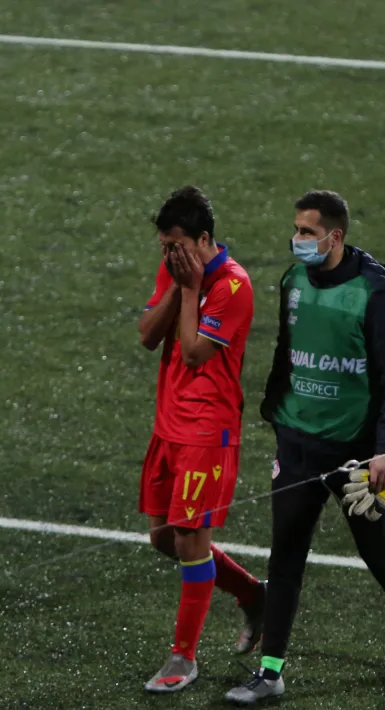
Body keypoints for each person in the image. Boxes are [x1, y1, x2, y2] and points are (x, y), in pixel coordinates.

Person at [224, 190, 385, 705]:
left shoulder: (374, 293)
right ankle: (271, 672)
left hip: (357, 452)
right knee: (286, 552)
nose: (297, 241)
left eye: (307, 233)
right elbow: (289, 352)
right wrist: (278, 413)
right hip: (297, 442)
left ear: (335, 237)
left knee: (374, 548)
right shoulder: (293, 280)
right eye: (296, 230)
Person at [136, 186, 266, 692]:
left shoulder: (234, 287)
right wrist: (176, 283)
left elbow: (192, 353)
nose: (168, 254)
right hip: (168, 426)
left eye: (176, 245)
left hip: (208, 433)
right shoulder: (175, 271)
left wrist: (190, 290)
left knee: (192, 542)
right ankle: (255, 594)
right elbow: (148, 336)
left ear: (204, 238)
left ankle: (182, 659)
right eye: (164, 246)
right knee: (164, 538)